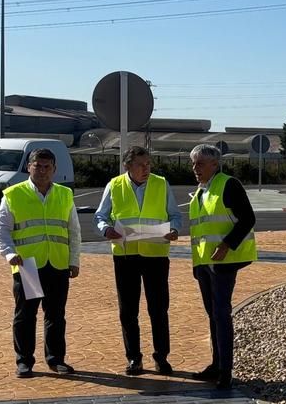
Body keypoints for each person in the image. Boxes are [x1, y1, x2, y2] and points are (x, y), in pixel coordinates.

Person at [0, 148, 81, 379]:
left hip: (58, 264)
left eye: (47, 167)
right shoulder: (14, 194)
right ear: (29, 167)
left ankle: (56, 359)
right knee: (26, 315)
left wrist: (74, 260)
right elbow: (1, 229)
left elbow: (73, 230)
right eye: (37, 166)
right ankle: (24, 361)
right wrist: (9, 253)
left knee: (56, 315)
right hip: (28, 265)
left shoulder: (64, 194)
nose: (42, 171)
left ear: (54, 169)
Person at [95, 146, 182, 376]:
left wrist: (174, 229)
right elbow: (101, 216)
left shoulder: (161, 184)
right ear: (127, 166)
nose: (146, 169)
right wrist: (106, 230)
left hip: (156, 255)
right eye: (141, 165)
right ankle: (134, 358)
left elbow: (175, 215)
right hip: (126, 256)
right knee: (128, 311)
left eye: (148, 164)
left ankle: (161, 358)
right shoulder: (114, 185)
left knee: (159, 309)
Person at [186, 144, 256, 390]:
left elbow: (248, 218)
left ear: (215, 164)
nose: (195, 168)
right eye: (193, 163)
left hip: (224, 263)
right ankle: (217, 365)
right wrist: (197, 265)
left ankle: (225, 370)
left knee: (221, 314)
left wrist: (227, 245)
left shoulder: (228, 185)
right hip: (205, 263)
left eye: (200, 163)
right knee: (213, 314)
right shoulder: (201, 190)